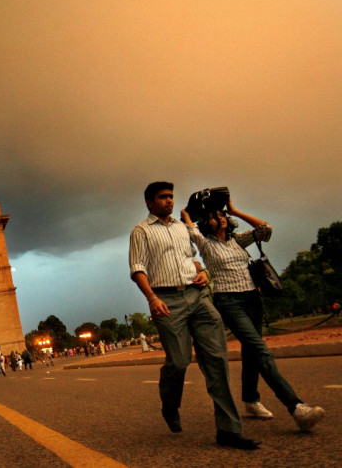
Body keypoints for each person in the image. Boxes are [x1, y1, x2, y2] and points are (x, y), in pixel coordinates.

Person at [129, 181, 260, 450]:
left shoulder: (181, 227)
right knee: (178, 362)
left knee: (217, 363)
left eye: (171, 196)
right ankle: (170, 404)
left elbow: (193, 256)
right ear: (149, 203)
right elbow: (137, 268)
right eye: (163, 197)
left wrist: (202, 271)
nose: (169, 201)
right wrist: (152, 298)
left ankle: (229, 431)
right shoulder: (140, 231)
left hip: (198, 297)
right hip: (166, 301)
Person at [181, 198, 325, 431]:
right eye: (214, 216)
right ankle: (297, 407)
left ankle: (250, 400)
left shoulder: (238, 240)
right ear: (206, 222)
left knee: (251, 353)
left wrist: (235, 210)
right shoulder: (205, 244)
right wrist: (187, 215)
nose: (220, 218)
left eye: (222, 214)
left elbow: (265, 230)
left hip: (252, 299)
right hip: (229, 302)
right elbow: (190, 229)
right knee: (261, 351)